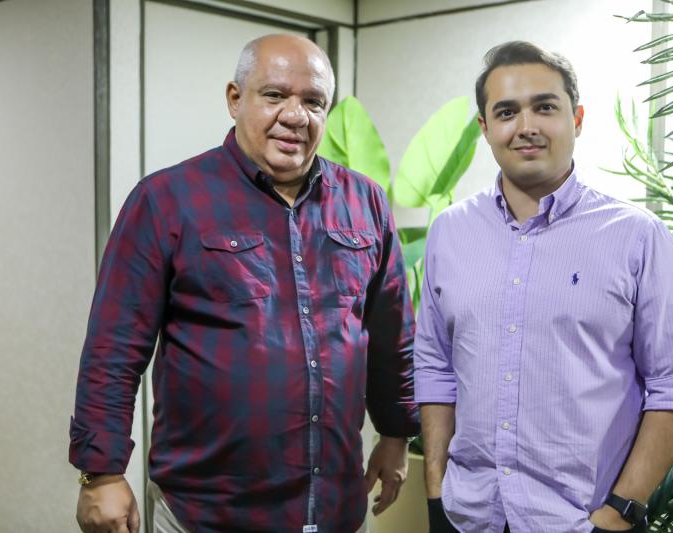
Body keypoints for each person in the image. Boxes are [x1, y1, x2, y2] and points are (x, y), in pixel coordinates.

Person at [70, 34, 419, 533]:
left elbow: (392, 336)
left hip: (336, 508)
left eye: (313, 101)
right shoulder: (166, 200)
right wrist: (101, 473)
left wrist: (396, 434)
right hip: (207, 513)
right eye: (275, 95)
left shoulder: (364, 202)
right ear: (235, 99)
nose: (295, 116)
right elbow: (113, 348)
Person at [414, 41, 673, 533]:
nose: (525, 126)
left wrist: (619, 513)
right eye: (506, 112)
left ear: (576, 118)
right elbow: (436, 366)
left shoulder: (637, 236)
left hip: (579, 521)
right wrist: (435, 492)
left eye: (544, 107)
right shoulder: (450, 231)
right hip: (470, 515)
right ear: (485, 128)